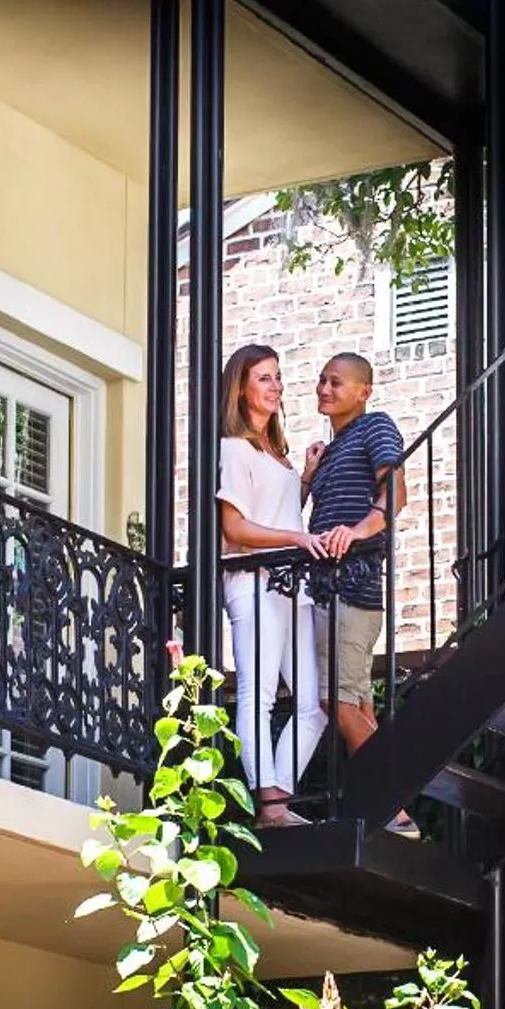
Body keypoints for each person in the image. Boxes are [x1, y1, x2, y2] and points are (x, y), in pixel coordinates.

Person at [300, 352, 418, 838]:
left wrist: (358, 529)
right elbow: (297, 515)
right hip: (328, 587)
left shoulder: (375, 428)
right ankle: (384, 809)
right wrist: (309, 474)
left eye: (337, 382)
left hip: (352, 587)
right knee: (359, 706)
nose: (325, 389)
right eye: (322, 381)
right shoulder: (329, 452)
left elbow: (396, 493)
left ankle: (396, 809)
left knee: (336, 701)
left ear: (364, 391)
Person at [215, 344, 327, 827]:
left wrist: (303, 478)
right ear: (241, 388)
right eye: (264, 377)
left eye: (277, 377)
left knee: (314, 706)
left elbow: (275, 515)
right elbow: (236, 530)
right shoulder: (233, 448)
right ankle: (270, 805)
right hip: (253, 583)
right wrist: (299, 539)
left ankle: (279, 797)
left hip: (288, 584)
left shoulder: (273, 454)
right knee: (257, 696)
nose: (275, 385)